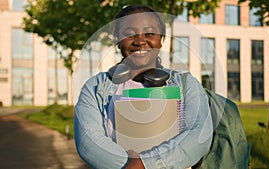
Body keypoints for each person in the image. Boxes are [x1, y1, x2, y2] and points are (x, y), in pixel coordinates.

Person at [74, 5, 213, 169]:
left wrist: (145, 165)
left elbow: (199, 135)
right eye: (129, 34)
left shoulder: (186, 84)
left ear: (161, 39)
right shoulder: (94, 88)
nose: (140, 41)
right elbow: (88, 142)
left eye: (149, 33)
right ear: (117, 40)